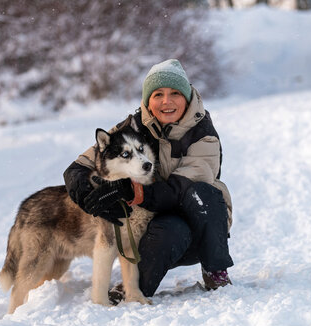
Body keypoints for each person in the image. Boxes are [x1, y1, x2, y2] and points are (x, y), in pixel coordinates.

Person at [63, 59, 234, 301]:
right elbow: (81, 165)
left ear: (187, 97)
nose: (167, 101)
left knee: (203, 194)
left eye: (175, 93)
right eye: (158, 94)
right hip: (161, 227)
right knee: (169, 231)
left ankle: (215, 269)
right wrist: (83, 192)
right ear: (147, 101)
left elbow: (180, 188)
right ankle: (133, 287)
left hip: (201, 227)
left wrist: (132, 191)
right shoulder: (132, 128)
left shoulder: (202, 133)